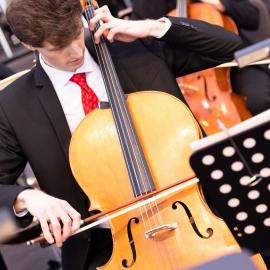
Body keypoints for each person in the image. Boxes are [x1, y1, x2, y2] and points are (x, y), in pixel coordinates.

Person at [0, 0, 242, 269]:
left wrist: (152, 27)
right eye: (58, 47)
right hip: (107, 246)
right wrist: (25, 198)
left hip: (199, 218)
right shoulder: (12, 105)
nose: (75, 51)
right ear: (29, 45)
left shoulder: (133, 48)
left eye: (76, 34)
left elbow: (231, 47)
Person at [196, 0, 270, 116]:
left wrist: (221, 4)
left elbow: (253, 17)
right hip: (194, 73)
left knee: (256, 100)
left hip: (239, 62)